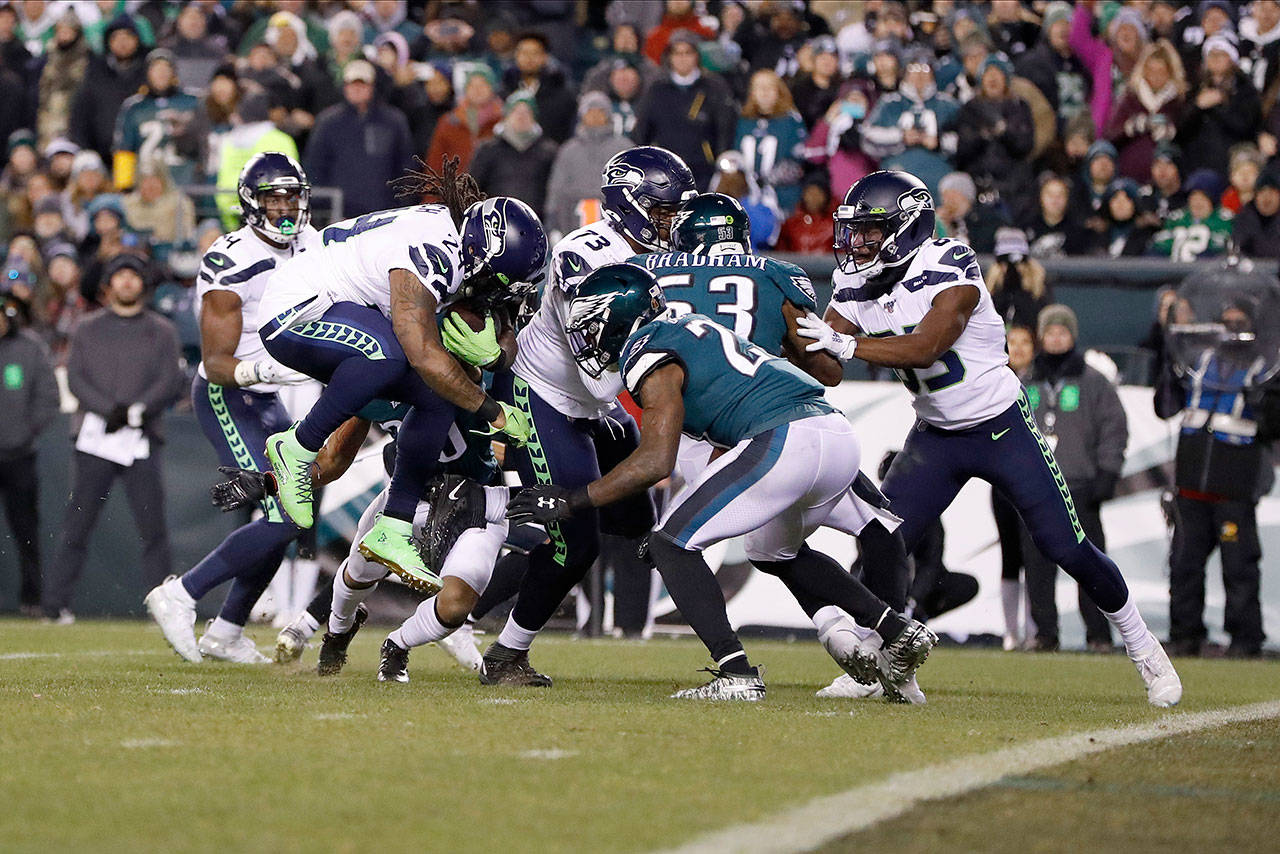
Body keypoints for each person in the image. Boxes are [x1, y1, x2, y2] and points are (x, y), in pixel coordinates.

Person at [796, 170, 1182, 707]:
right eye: (854, 230)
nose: (856, 243)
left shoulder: (949, 264)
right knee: (883, 540)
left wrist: (846, 344)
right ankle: (875, 662)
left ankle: (1144, 649)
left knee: (1064, 545)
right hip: (935, 434)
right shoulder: (855, 283)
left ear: (906, 228)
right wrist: (791, 339)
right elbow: (829, 364)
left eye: (869, 230)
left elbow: (926, 346)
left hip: (1001, 427)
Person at [509, 263, 935, 701]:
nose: (588, 336)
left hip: (785, 439)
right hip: (832, 434)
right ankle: (897, 630)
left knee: (671, 544)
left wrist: (572, 500)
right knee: (773, 550)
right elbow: (723, 440)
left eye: (593, 323)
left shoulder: (646, 349)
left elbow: (656, 461)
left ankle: (736, 673)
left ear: (622, 317)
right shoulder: (689, 325)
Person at [255, 159, 543, 594]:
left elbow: (495, 327)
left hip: (346, 317)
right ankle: (296, 446)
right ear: (481, 255)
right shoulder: (433, 254)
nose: (499, 291)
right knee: (393, 357)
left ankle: (393, 526)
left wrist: (499, 358)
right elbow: (425, 355)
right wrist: (494, 413)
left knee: (436, 398)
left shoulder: (466, 243)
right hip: (296, 309)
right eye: (498, 279)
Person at [476, 147, 694, 686]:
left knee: (636, 524)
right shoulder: (587, 254)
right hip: (545, 391)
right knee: (576, 539)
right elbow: (598, 370)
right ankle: (501, 648)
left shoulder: (652, 252)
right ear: (632, 204)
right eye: (664, 211)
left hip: (590, 403)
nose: (673, 223)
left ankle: (466, 601)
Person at [144, 153, 320, 664]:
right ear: (251, 203)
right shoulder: (231, 259)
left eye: (292, 196)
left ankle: (226, 631)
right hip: (230, 392)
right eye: (273, 198)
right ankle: (180, 595)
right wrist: (266, 369)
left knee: (292, 513)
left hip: (268, 396)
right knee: (287, 511)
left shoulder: (315, 244)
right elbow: (217, 363)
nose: (285, 208)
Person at [41, 254, 185, 623]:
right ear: (107, 286)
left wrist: (136, 411)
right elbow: (76, 378)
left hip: (142, 439)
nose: (126, 282)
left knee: (153, 529)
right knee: (77, 524)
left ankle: (164, 610)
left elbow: (170, 381)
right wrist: (110, 410)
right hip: (95, 440)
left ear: (142, 284)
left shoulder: (162, 330)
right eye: (119, 277)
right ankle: (54, 606)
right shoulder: (87, 328)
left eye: (132, 276)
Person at [1155, 300, 1271, 658]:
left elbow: (1274, 426)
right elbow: (1164, 408)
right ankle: (1185, 634)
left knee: (1239, 566)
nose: (1232, 327)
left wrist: (1266, 401)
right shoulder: (1197, 363)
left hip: (1233, 487)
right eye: (1226, 321)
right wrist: (1169, 370)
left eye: (1239, 321)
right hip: (1191, 487)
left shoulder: (1266, 369)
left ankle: (1245, 639)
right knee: (1184, 565)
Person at [1021, 304, 1128, 653]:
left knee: (1090, 565)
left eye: (1062, 332)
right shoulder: (1023, 381)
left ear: (1073, 335)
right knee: (1037, 567)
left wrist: (1108, 472)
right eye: (1050, 332)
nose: (1055, 338)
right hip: (1037, 487)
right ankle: (1045, 634)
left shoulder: (1093, 382)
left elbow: (1114, 427)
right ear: (1041, 336)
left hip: (1079, 486)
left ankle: (1098, 635)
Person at [0, 292, 59, 616]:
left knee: (26, 531)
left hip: (19, 456)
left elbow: (48, 397)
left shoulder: (30, 347)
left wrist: (23, 433)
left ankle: (32, 600)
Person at [304, 59, 413, 218]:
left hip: (385, 214)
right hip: (340, 215)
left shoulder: (394, 121)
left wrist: (403, 206)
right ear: (344, 87)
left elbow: (406, 166)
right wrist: (324, 206)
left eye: (362, 84)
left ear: (373, 87)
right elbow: (315, 166)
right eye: (351, 84)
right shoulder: (327, 122)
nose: (357, 89)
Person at [632, 32, 736, 190]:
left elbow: (725, 130)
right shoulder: (657, 89)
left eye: (688, 52)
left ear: (697, 56)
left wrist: (719, 165)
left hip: (704, 173)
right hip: (665, 174)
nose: (682, 58)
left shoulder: (714, 87)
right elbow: (641, 132)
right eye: (677, 53)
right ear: (670, 57)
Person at [861, 50, 960, 199]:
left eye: (925, 69)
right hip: (898, 180)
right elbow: (867, 139)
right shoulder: (890, 103)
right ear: (904, 72)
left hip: (942, 181)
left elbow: (966, 142)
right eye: (913, 68)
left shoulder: (948, 104)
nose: (919, 75)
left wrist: (939, 141)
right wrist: (901, 137)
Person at [543, 91, 631, 238]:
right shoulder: (569, 150)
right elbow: (557, 188)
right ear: (582, 116)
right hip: (573, 221)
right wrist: (553, 222)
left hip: (615, 223)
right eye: (590, 112)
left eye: (600, 112)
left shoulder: (623, 148)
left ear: (608, 115)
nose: (595, 116)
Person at [112, 49, 204, 189]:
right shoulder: (134, 107)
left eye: (166, 68)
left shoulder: (193, 102)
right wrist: (124, 185)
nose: (161, 73)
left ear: (174, 72)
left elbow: (205, 142)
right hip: (147, 184)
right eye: (156, 68)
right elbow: (125, 148)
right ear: (147, 73)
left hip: (185, 180)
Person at [996, 323, 1035, 650]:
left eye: (1025, 342)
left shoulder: (1040, 382)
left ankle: (1036, 630)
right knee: (1010, 554)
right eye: (1012, 342)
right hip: (1002, 480)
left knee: (1036, 555)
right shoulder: (993, 380)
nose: (1018, 349)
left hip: (1034, 476)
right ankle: (1011, 632)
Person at [1177, 36, 1262, 178]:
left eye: (1221, 54)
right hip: (1197, 165)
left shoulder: (1246, 90)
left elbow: (1246, 127)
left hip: (1233, 166)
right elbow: (1180, 131)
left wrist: (1218, 105)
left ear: (1232, 59)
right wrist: (1198, 107)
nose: (1215, 59)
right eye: (1211, 54)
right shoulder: (1194, 89)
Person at [1104, 40, 1185, 182]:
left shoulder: (1177, 103)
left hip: (1165, 182)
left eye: (1161, 71)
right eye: (1151, 70)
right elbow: (1110, 135)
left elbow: (1187, 137)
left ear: (1170, 72)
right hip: (1129, 176)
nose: (1155, 76)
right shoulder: (1130, 98)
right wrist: (1132, 126)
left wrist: (1171, 131)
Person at [68, 15, 146, 163]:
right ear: (108, 42)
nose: (122, 43)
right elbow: (79, 119)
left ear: (137, 40)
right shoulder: (95, 75)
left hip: (143, 159)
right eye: (117, 37)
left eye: (128, 37)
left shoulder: (148, 74)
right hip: (102, 160)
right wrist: (87, 154)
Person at [468, 94, 557, 219]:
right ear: (507, 116)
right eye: (516, 111)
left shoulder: (548, 152)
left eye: (527, 112)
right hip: (494, 224)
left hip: (537, 224)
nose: (521, 116)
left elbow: (556, 192)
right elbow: (472, 188)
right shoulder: (488, 150)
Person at [735, 69, 807, 212]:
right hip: (746, 198)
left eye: (770, 86)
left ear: (779, 91)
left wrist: (768, 181)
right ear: (752, 92)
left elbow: (797, 160)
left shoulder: (791, 121)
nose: (764, 91)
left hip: (783, 198)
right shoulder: (744, 121)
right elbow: (735, 155)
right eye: (759, 87)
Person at [500, 32, 576, 145]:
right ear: (516, 56)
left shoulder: (563, 95)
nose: (529, 58)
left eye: (535, 53)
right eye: (524, 53)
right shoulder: (503, 94)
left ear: (545, 57)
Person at [1153, 169, 1233, 261]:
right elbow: (1157, 248)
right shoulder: (1176, 219)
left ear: (1213, 200)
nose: (1197, 203)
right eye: (1193, 198)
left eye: (1202, 198)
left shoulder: (1225, 220)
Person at [986, 227, 1051, 329]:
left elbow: (1039, 322)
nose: (1012, 268)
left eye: (1017, 263)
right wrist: (1001, 291)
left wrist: (1022, 291)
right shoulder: (988, 288)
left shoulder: (1040, 287)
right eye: (1006, 263)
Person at [776, 179, 835, 254]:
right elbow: (780, 254)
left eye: (817, 194)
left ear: (825, 196)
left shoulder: (834, 226)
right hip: (796, 264)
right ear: (803, 195)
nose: (813, 198)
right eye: (810, 193)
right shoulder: (790, 224)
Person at [1233, 166, 1280, 259]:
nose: (1266, 199)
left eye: (1271, 193)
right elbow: (1238, 249)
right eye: (1261, 193)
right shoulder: (1244, 218)